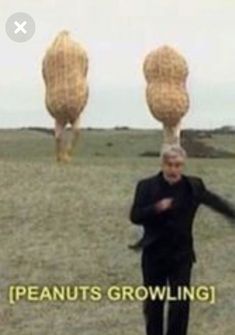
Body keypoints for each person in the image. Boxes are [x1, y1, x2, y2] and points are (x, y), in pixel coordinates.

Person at [129, 144, 235, 335]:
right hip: (154, 254)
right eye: (169, 165)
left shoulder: (193, 186)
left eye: (178, 165)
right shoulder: (146, 186)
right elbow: (135, 216)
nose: (173, 169)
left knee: (180, 303)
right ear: (162, 164)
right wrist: (156, 208)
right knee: (154, 304)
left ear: (183, 165)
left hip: (181, 255)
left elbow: (215, 202)